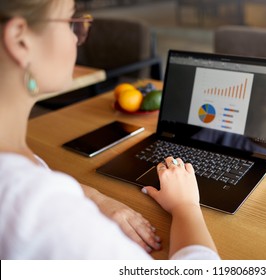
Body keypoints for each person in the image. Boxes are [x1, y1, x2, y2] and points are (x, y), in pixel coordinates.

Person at [0, 0, 219, 260]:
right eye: (71, 23)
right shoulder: (50, 218)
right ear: (20, 40)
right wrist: (186, 206)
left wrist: (95, 196)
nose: (77, 40)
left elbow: (35, 173)